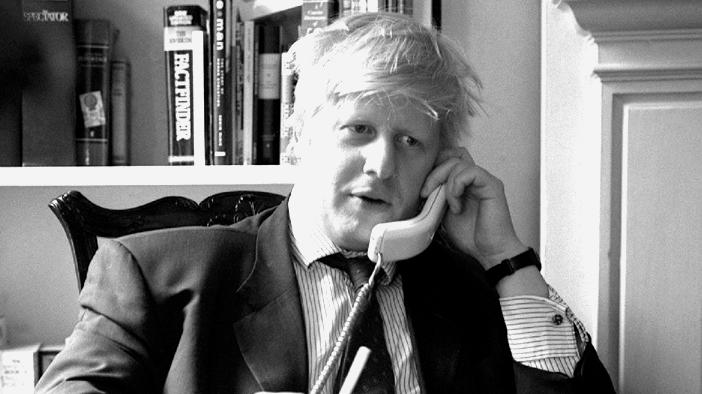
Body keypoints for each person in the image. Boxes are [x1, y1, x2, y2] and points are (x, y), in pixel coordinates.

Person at [35, 12, 615, 394]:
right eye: (358, 129)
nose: (382, 164)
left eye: (411, 141)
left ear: (441, 168)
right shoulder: (154, 273)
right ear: (298, 138)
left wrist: (508, 261)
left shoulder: (470, 291)